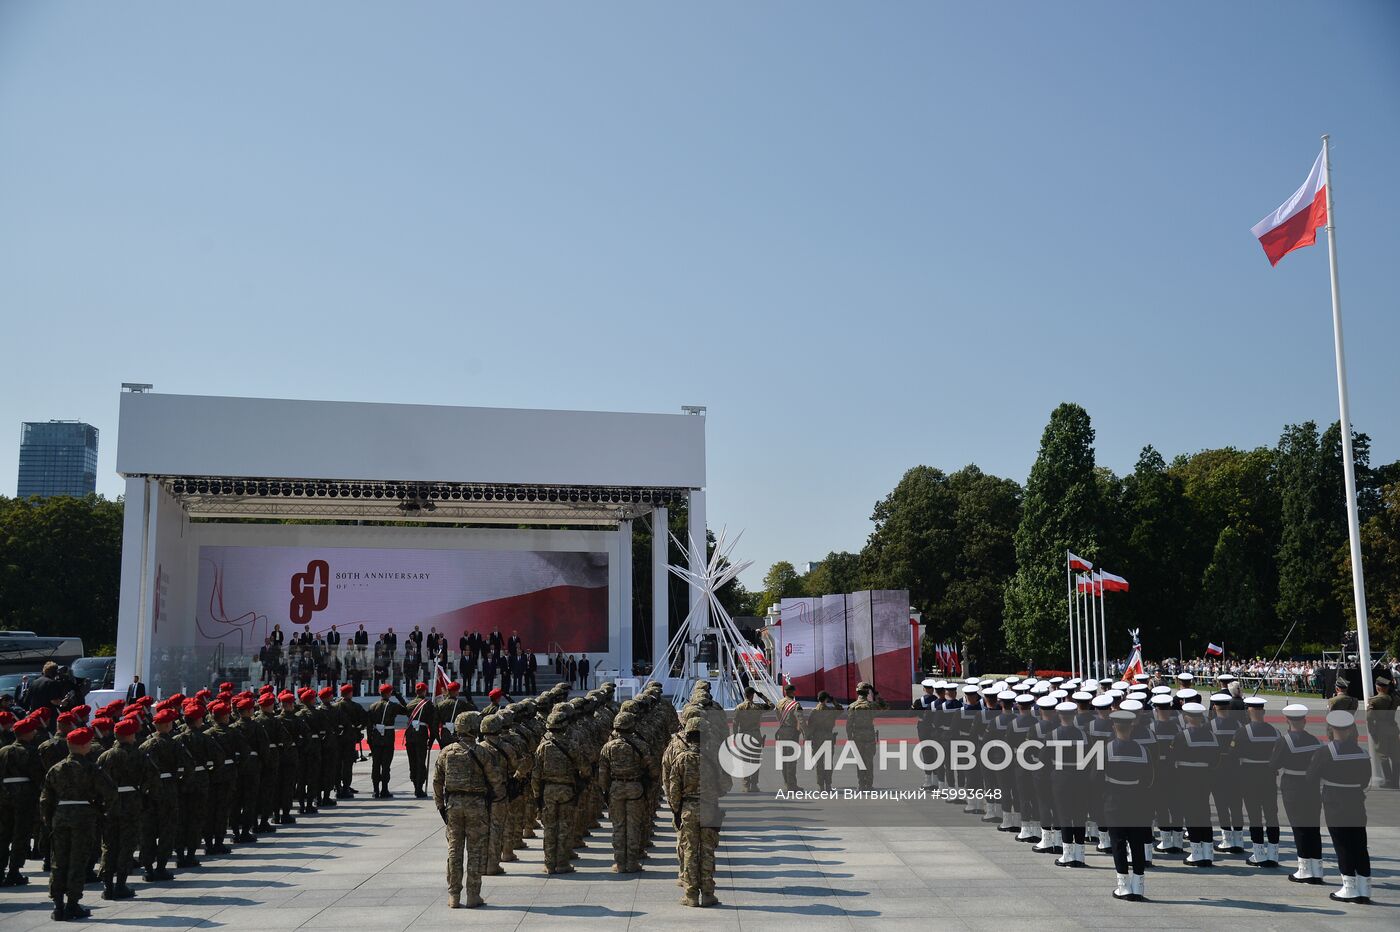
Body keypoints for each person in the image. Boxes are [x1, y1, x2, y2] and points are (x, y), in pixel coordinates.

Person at [433, 711, 504, 908]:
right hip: (477, 806)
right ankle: (473, 895)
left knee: (454, 850)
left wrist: (440, 805)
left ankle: (453, 895)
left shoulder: (446, 752)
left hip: (453, 806)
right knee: (476, 850)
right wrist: (497, 798)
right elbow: (496, 781)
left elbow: (437, 781)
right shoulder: (482, 752)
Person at [42, 726, 113, 921]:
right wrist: (100, 811)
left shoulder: (55, 768)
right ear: (83, 746)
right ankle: (72, 903)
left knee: (59, 861)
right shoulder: (91, 768)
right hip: (83, 816)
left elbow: (45, 799)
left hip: (60, 816)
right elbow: (109, 792)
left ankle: (57, 905)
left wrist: (49, 821)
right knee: (78, 860)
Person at [1309, 710, 1373, 904]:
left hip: (1335, 802)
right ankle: (1364, 888)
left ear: (1331, 729)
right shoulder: (1362, 753)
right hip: (1356, 800)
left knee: (1343, 844)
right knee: (1360, 844)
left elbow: (1311, 777)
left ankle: (1349, 887)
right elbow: (1364, 781)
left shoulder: (1324, 752)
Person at [1103, 709, 1152, 901]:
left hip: (1114, 801)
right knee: (1137, 843)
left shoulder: (1104, 749)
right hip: (1137, 801)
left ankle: (1123, 886)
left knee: (1118, 843)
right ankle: (1138, 886)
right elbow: (1149, 779)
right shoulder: (1143, 750)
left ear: (1114, 726)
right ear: (1132, 727)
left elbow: (1094, 778)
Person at [533, 707, 586, 875]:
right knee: (564, 827)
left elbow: (535, 774)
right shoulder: (572, 745)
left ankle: (549, 864)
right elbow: (584, 769)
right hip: (567, 790)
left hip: (548, 790)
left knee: (549, 828)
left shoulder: (543, 747)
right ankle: (562, 863)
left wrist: (537, 795)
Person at [95, 717, 144, 900]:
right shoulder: (138, 755)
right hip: (131, 803)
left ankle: (107, 886)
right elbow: (151, 779)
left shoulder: (104, 755)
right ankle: (121, 884)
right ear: (131, 735)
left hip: (110, 805)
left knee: (109, 845)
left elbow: (96, 781)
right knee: (127, 845)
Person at [0, 714, 45, 886]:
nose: (34, 733)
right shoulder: (30, 751)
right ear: (26, 733)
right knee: (21, 834)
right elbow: (37, 776)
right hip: (24, 797)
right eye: (31, 731)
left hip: (4, 796)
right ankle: (14, 871)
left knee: (3, 834)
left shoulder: (3, 750)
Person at [730, 687, 771, 793]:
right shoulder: (758, 707)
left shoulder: (739, 707)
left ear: (745, 695)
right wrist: (761, 696)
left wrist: (735, 737)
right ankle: (754, 785)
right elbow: (772, 706)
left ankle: (746, 785)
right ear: (753, 695)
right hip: (756, 736)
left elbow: (735, 724)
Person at [845, 682, 882, 791]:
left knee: (859, 761)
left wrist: (849, 738)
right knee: (869, 761)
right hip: (869, 736)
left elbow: (848, 725)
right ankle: (869, 785)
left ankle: (861, 785)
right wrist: (876, 693)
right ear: (867, 693)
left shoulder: (852, 706)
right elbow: (885, 706)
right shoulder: (872, 705)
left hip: (857, 736)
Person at [404, 682, 437, 798]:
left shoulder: (410, 704)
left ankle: (415, 785)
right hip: (421, 735)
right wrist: (432, 739)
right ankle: (419, 787)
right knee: (420, 762)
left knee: (412, 762)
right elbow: (433, 723)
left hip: (410, 735)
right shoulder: (428, 704)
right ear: (424, 691)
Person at [1365, 673, 1398, 789]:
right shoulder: (1395, 698)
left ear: (1378, 687)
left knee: (1383, 755)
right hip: (1393, 728)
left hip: (1381, 729)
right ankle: (1395, 780)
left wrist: (1372, 731)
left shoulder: (1374, 700)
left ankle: (1388, 780)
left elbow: (1369, 717)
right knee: (1395, 756)